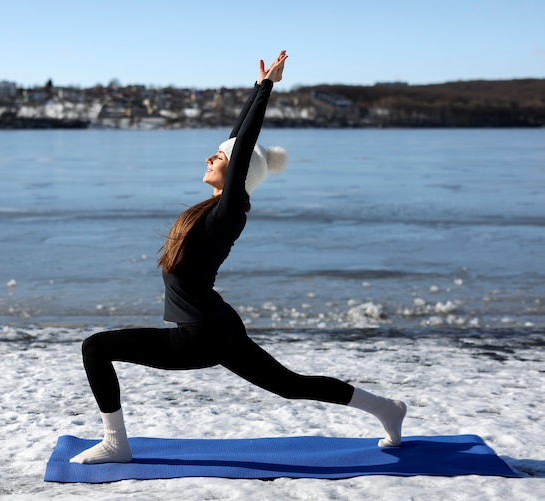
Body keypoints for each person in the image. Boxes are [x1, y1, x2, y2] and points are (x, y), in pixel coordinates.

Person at [70, 51, 406, 465]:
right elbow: (236, 142)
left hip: (201, 335)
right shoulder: (213, 207)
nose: (211, 158)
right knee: (290, 384)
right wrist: (256, 87)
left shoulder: (230, 210)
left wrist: (267, 90)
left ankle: (117, 444)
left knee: (95, 348)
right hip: (218, 324)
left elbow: (243, 147)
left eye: (220, 159)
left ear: (238, 175)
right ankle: (387, 409)